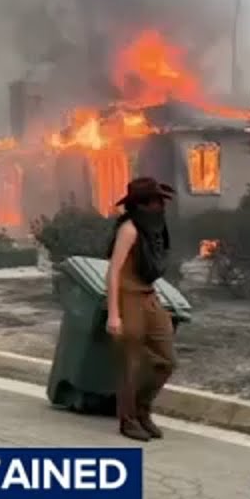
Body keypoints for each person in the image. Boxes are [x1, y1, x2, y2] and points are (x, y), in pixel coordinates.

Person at [106, 177, 178, 442]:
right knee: (131, 362)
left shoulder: (153, 230)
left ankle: (142, 409)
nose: (161, 206)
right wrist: (114, 314)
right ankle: (129, 419)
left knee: (167, 360)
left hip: (148, 296)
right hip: (128, 298)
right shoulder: (130, 229)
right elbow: (113, 270)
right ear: (142, 204)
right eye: (156, 201)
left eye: (161, 201)